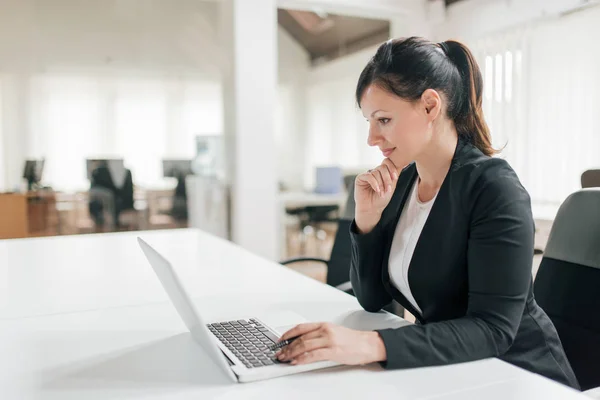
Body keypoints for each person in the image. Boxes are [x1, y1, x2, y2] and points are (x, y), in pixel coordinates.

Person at [275, 37, 579, 389]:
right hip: (449, 372)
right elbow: (372, 299)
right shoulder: (404, 182)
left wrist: (369, 344)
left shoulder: (495, 189)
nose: (372, 138)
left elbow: (493, 329)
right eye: (369, 121)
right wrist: (368, 220)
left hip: (521, 378)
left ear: (430, 106)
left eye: (384, 119)